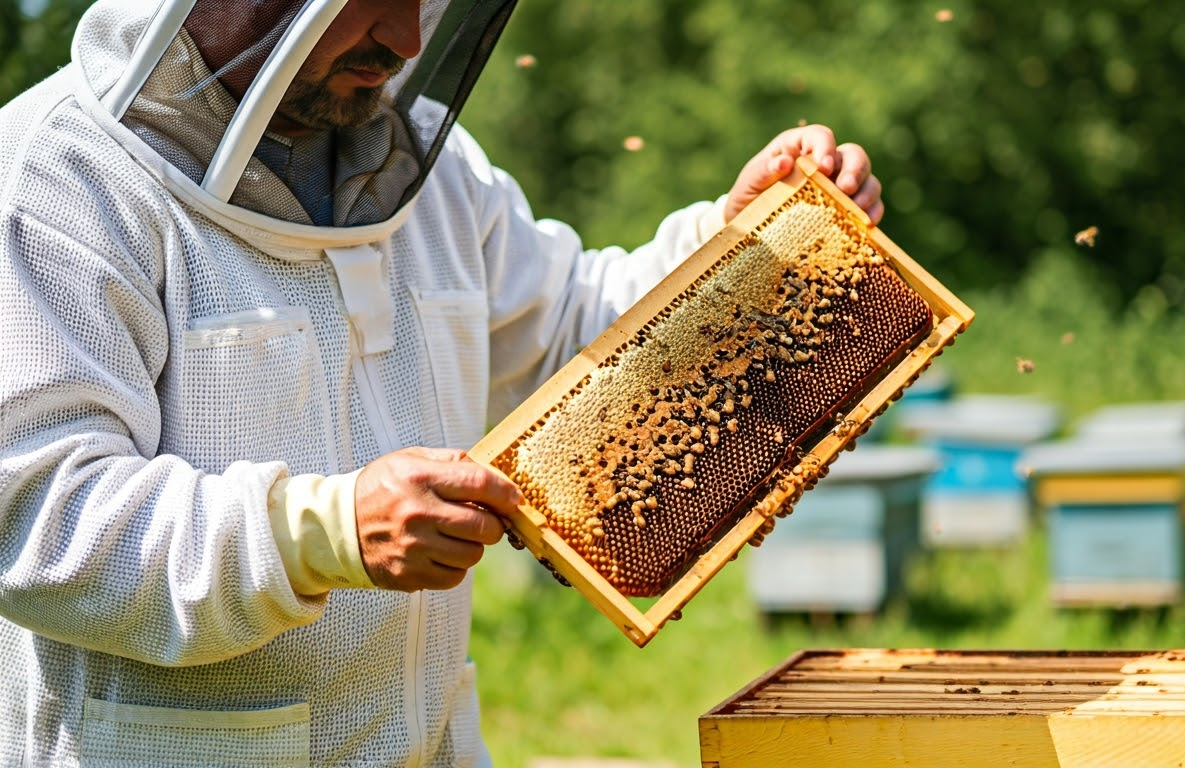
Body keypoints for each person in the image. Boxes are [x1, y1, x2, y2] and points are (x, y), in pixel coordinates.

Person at [0, 0, 884, 765]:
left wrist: (741, 248)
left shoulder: (426, 167)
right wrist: (327, 531)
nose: (402, 36)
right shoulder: (61, 181)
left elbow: (577, 340)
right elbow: (38, 518)